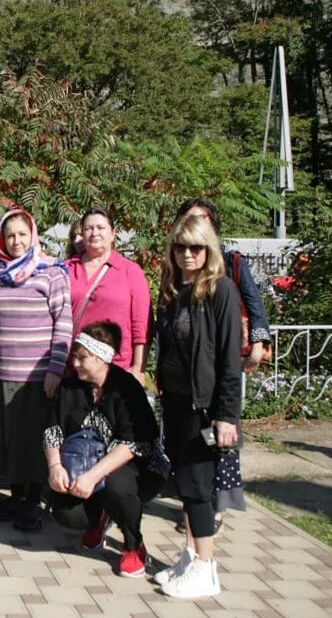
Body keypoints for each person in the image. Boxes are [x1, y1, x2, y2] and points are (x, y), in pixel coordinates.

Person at [154, 214, 242, 599]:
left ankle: (206, 568)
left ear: (209, 250)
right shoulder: (177, 291)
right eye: (180, 248)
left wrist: (227, 415)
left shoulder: (220, 291)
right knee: (185, 485)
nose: (187, 255)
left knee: (197, 486)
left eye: (195, 248)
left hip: (202, 407)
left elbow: (229, 360)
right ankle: (190, 556)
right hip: (175, 401)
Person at [174, 198, 271, 534]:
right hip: (190, 379)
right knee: (197, 450)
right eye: (188, 220)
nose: (189, 248)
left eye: (201, 220)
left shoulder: (230, 263)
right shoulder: (176, 274)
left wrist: (258, 343)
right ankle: (198, 508)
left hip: (222, 365)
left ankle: (216, 506)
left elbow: (254, 304)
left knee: (222, 438)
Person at [43, 322, 168, 579]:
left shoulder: (126, 388)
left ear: (101, 358)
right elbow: (52, 430)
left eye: (82, 358)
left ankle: (134, 545)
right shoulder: (69, 388)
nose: (75, 364)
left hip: (135, 466)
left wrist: (92, 477)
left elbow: (135, 443)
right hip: (84, 462)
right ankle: (99, 515)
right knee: (67, 514)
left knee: (117, 487)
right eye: (74, 357)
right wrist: (55, 467)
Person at [0, 209, 72, 531]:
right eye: (10, 235)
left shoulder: (50, 273)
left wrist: (56, 369)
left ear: (33, 235)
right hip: (1, 373)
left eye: (22, 234)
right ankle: (17, 497)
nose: (16, 241)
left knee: (35, 438)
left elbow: (64, 324)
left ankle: (36, 501)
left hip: (37, 375)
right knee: (13, 439)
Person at [66, 208, 151, 383]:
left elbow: (141, 326)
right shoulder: (66, 268)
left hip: (115, 369)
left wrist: (138, 368)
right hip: (73, 367)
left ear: (113, 234)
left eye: (100, 227)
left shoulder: (130, 271)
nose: (94, 232)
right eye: (88, 228)